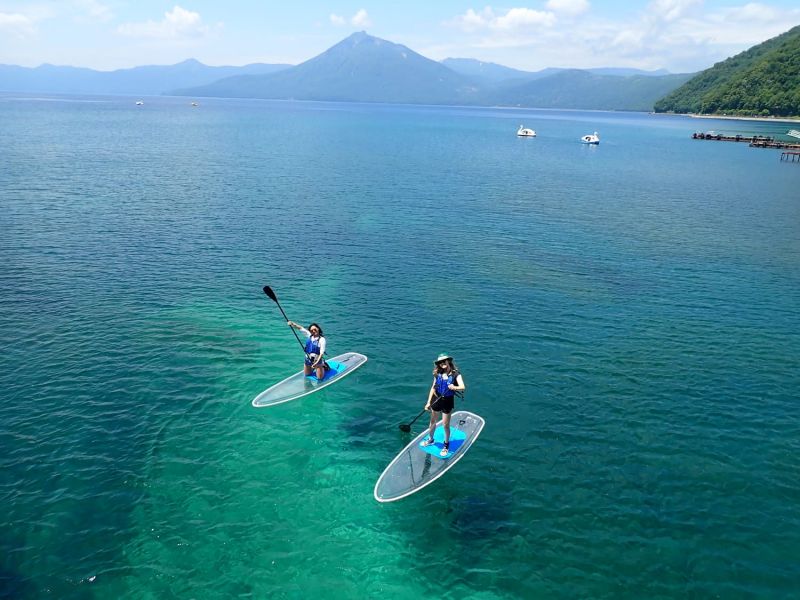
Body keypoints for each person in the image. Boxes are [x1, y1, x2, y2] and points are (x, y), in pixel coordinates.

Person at [422, 353, 466, 457]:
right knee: (432, 422)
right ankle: (431, 439)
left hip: (447, 401)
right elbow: (433, 388)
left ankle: (446, 445)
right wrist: (428, 402)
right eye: (440, 362)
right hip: (436, 400)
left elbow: (463, 387)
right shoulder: (437, 373)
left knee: (445, 425)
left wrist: (454, 387)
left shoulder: (456, 374)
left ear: (448, 361)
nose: (442, 364)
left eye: (444, 361)